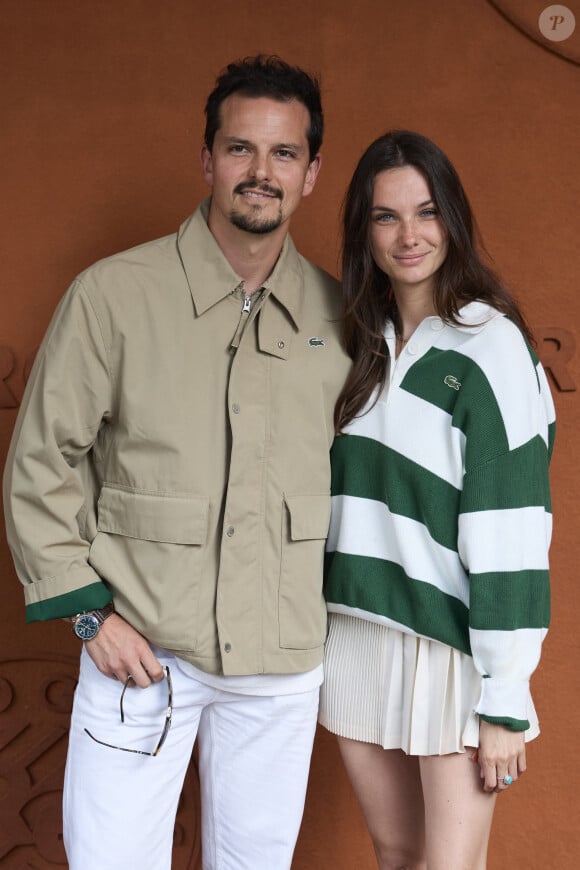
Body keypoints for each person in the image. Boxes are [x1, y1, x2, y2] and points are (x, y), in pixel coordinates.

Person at [3, 55, 351, 870]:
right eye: (240, 149)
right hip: (142, 655)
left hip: (280, 668)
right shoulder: (113, 296)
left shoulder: (344, 317)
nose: (261, 173)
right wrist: (89, 613)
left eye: (284, 154)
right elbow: (40, 460)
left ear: (311, 173)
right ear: (207, 159)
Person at [319, 130, 555, 870]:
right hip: (355, 632)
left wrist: (505, 698)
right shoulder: (358, 338)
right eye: (386, 217)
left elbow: (513, 527)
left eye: (426, 212)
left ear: (452, 218)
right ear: (364, 230)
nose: (409, 235)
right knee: (395, 853)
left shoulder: (491, 348)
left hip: (451, 646)